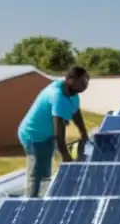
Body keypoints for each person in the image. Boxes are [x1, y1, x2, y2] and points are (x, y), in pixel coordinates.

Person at [17, 65, 91, 197]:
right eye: (83, 81)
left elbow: (76, 113)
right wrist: (68, 161)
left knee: (45, 170)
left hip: (47, 134)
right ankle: (30, 204)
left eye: (87, 81)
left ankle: (41, 198)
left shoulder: (73, 94)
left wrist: (84, 134)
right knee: (36, 173)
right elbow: (59, 137)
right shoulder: (57, 96)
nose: (86, 85)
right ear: (70, 79)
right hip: (33, 135)